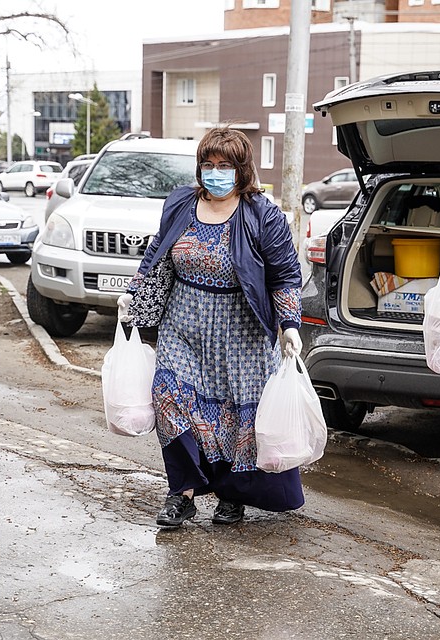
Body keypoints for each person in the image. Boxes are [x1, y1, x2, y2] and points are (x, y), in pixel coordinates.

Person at [117, 127, 304, 529]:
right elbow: (158, 250)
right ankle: (181, 494)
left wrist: (289, 324)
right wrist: (135, 292)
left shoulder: (261, 214)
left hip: (242, 333)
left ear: (242, 170)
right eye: (209, 165)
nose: (216, 173)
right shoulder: (181, 203)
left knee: (237, 418)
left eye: (225, 166)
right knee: (169, 399)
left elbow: (286, 274)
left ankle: (233, 495)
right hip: (183, 324)